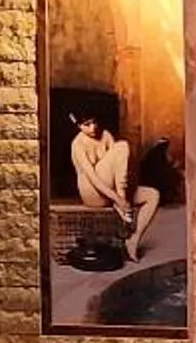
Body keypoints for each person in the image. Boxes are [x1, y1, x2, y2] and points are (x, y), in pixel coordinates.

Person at [69, 113, 162, 263]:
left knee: (153, 195)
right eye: (87, 124)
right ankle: (121, 201)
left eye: (94, 122)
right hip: (92, 193)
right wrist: (119, 199)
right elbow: (93, 179)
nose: (93, 127)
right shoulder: (78, 145)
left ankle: (133, 240)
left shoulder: (105, 135)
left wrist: (121, 196)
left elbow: (120, 168)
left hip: (111, 189)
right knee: (122, 146)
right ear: (78, 125)